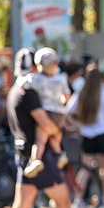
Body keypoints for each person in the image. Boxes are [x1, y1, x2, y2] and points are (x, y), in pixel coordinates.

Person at [5, 49, 102, 208]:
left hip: (25, 155)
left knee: (21, 207)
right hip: (40, 158)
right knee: (62, 202)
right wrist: (59, 130)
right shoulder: (28, 93)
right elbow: (45, 123)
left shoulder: (15, 90)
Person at [65, 65, 104, 208]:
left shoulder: (81, 93)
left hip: (87, 135)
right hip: (103, 134)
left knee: (85, 168)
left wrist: (76, 126)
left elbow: (68, 112)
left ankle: (78, 200)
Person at [21, 48, 70, 178]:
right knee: (55, 136)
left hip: (47, 112)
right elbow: (67, 96)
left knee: (40, 140)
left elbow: (23, 84)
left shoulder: (36, 79)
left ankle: (36, 159)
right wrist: (62, 101)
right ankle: (60, 155)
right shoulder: (61, 79)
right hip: (59, 113)